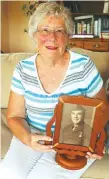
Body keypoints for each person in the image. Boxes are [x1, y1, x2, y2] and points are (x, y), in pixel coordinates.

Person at [0, 2, 108, 179]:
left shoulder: (83, 66)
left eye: (59, 31)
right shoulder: (22, 69)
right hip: (34, 133)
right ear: (34, 35)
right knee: (8, 174)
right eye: (44, 30)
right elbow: (14, 116)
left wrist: (94, 139)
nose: (52, 37)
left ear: (68, 36)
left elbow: (103, 108)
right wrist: (27, 138)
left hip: (74, 139)